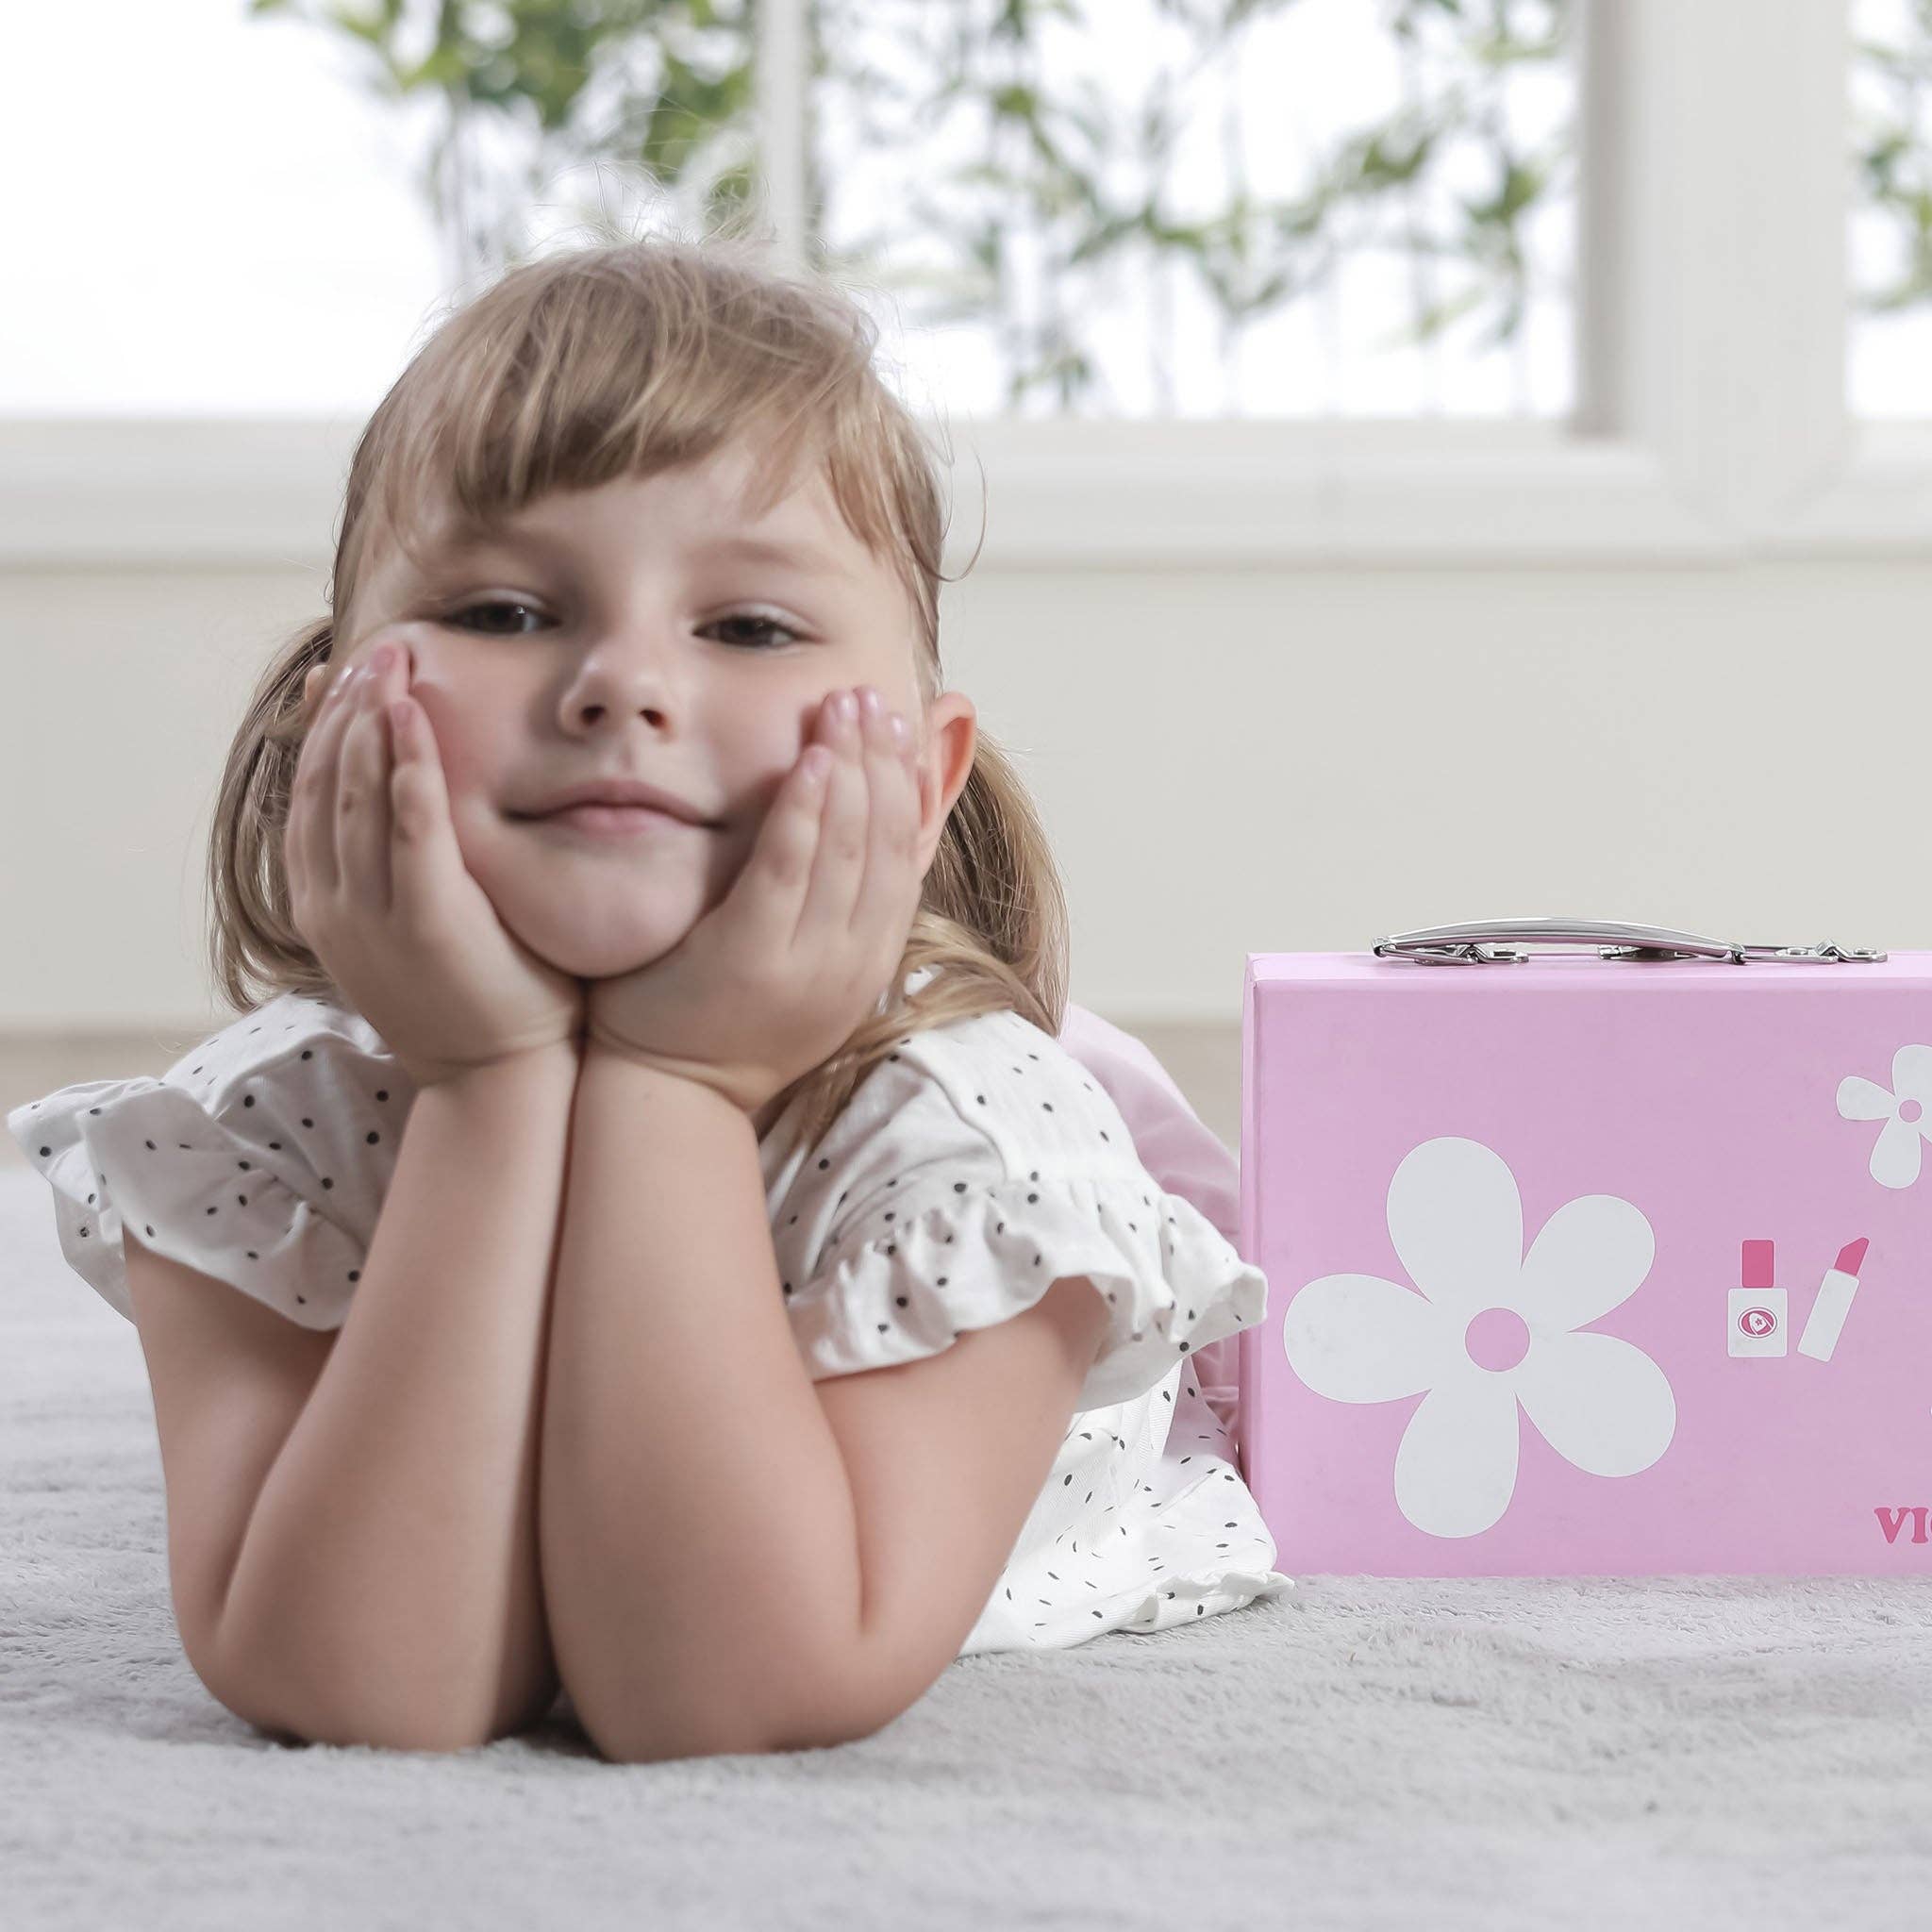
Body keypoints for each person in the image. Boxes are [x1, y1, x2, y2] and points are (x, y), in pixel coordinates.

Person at [7, 231, 1294, 1761]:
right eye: (501, 612)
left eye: (747, 628)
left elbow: (719, 1690)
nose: (619, 683)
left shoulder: (985, 1151)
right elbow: (365, 1688)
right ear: (331, 715)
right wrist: (490, 1083)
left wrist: (677, 1086)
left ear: (922, 773)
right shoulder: (256, 1128)